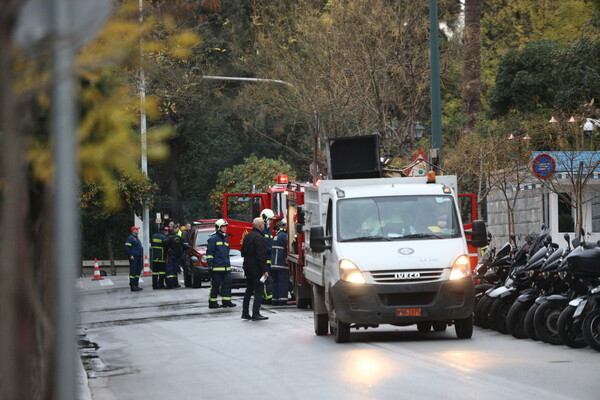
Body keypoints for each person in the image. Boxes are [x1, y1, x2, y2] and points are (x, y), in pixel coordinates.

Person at [241, 217, 269, 320]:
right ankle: (256, 313)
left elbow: (242, 252)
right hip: (256, 269)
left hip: (247, 267)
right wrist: (265, 270)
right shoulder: (259, 238)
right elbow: (261, 256)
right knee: (259, 290)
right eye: (263, 224)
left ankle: (245, 312)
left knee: (249, 290)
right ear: (260, 225)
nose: (264, 225)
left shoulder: (247, 236)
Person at [206, 219, 236, 308]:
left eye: (226, 226)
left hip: (226, 268)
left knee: (227, 285)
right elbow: (209, 253)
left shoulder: (225, 238)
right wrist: (210, 265)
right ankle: (212, 302)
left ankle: (226, 301)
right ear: (218, 227)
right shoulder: (213, 239)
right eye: (223, 226)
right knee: (215, 285)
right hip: (216, 268)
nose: (225, 228)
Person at [271, 219, 289, 305]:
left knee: (275, 282)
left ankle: (275, 299)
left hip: (274, 263)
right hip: (281, 263)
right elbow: (288, 247)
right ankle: (282, 299)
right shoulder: (284, 236)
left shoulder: (278, 234)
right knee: (283, 282)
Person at [260, 208, 275, 304]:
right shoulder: (262, 231)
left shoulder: (268, 231)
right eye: (270, 219)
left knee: (270, 280)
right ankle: (267, 298)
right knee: (266, 280)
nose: (271, 222)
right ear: (265, 219)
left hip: (270, 260)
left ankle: (269, 296)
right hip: (265, 260)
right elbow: (264, 246)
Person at [125, 226, 143, 292]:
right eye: (136, 229)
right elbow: (127, 247)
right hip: (134, 258)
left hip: (138, 257)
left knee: (137, 272)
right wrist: (130, 255)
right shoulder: (131, 238)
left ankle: (136, 285)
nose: (138, 230)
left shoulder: (136, 238)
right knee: (133, 272)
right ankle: (132, 286)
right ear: (133, 231)